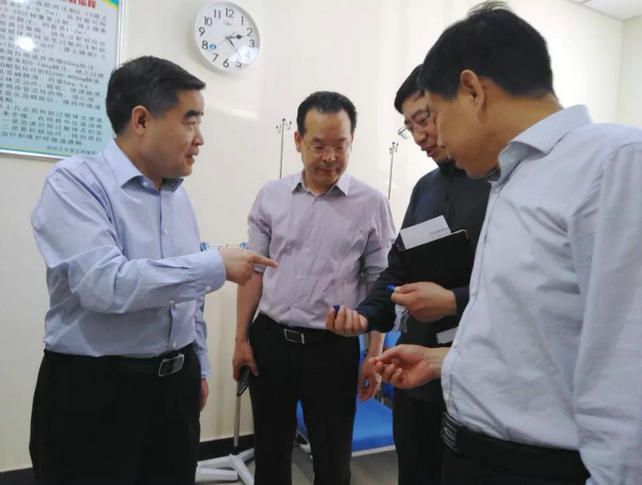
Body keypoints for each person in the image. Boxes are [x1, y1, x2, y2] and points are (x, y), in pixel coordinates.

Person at [371, 3, 642, 484]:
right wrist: (447, 361)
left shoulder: (615, 164)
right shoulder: (509, 179)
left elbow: (627, 374)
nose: (436, 137)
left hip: (536, 467)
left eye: (436, 115)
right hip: (470, 452)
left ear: (473, 91)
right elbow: (537, 336)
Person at [29, 55, 276, 485]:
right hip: (96, 392)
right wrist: (215, 265)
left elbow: (185, 296)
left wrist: (197, 365)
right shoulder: (76, 183)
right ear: (141, 120)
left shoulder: (176, 195)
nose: (200, 139)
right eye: (190, 121)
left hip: (174, 390)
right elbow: (105, 284)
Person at [232, 91, 395, 485]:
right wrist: (241, 339)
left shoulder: (371, 203)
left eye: (340, 145)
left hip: (332, 349)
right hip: (271, 342)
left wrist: (373, 355)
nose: (330, 157)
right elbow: (254, 272)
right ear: (298, 141)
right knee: (270, 455)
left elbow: (378, 283)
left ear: (352, 142)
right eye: (319, 145)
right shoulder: (271, 196)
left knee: (333, 461)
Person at [342, 65, 489, 485]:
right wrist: (366, 315)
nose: (420, 135)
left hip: (474, 373)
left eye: (424, 119)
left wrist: (453, 301)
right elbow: (398, 267)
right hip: (415, 368)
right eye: (410, 127)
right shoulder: (426, 188)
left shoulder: (499, 185)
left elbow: (517, 290)